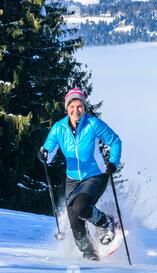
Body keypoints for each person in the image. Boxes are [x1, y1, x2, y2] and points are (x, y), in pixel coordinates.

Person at [38, 88, 122, 261]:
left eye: (79, 106)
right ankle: (90, 254)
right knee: (75, 221)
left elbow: (115, 141)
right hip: (72, 179)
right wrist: (44, 154)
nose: (76, 110)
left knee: (81, 207)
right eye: (72, 106)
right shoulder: (58, 129)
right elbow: (49, 152)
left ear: (84, 107)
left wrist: (113, 162)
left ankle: (106, 222)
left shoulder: (93, 124)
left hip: (95, 175)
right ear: (66, 108)